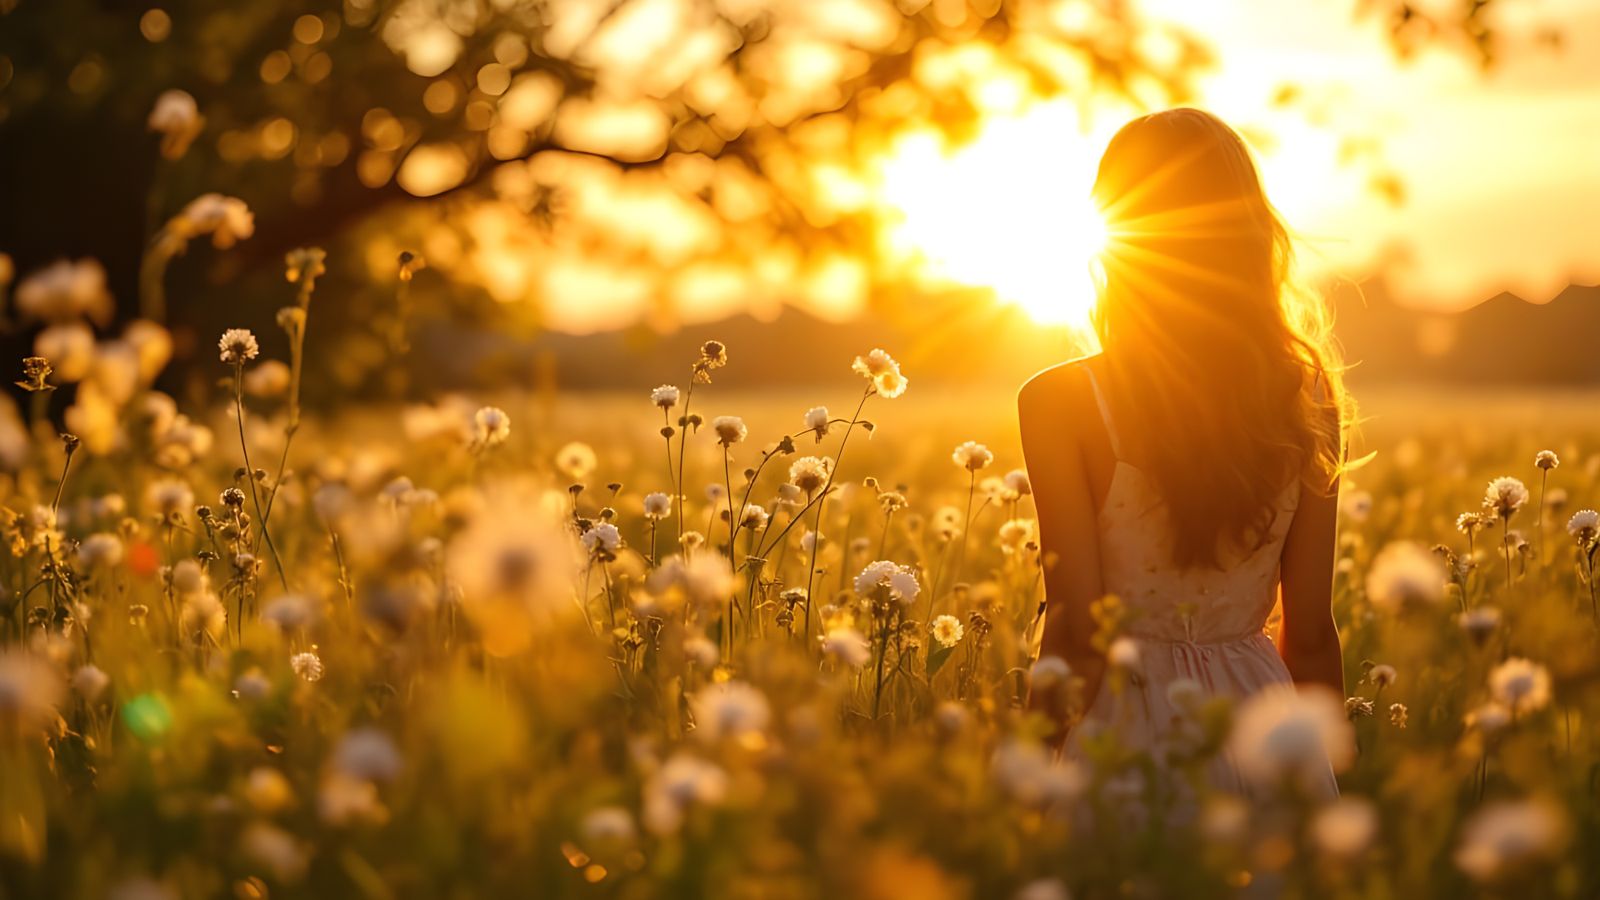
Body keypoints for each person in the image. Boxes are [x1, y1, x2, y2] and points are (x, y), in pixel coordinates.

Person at [1018, 107, 1351, 801]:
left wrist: (1025, 773)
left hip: (1124, 729)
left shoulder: (1060, 402)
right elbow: (1311, 633)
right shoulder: (1306, 395)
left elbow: (1077, 629)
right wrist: (1329, 795)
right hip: (1266, 728)